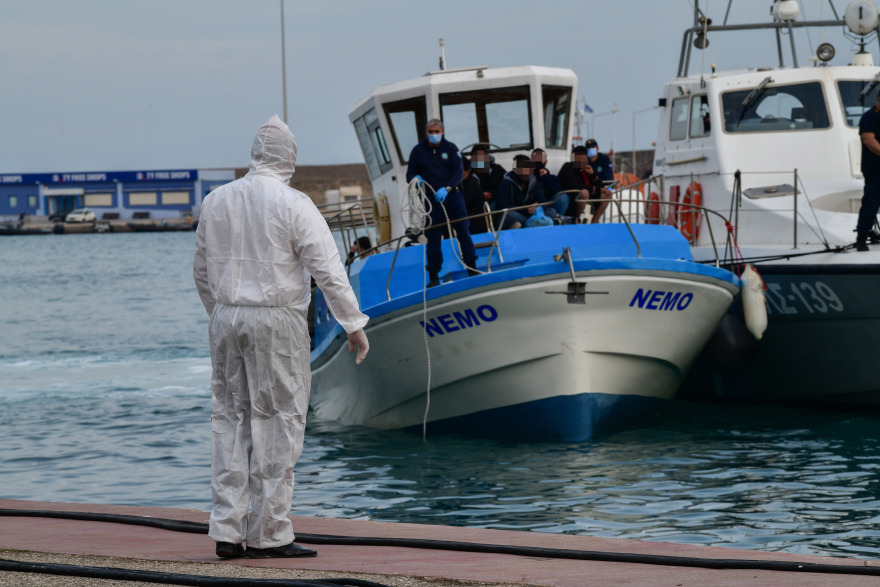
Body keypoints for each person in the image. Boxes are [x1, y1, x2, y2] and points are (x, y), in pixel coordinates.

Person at [193, 115, 369, 560]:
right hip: (276, 320)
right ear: (289, 157)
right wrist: (352, 323)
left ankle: (227, 530)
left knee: (229, 419)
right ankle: (270, 532)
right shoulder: (295, 204)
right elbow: (327, 268)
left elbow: (201, 270)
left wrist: (221, 314)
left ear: (255, 154)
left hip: (226, 316)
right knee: (278, 420)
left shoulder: (216, 201)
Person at [405, 118, 477, 286]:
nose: (434, 135)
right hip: (430, 200)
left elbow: (458, 172)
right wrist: (415, 179)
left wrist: (448, 188)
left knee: (463, 232)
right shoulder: (417, 151)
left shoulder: (451, 148)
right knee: (433, 237)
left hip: (451, 196)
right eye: (431, 132)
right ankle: (434, 276)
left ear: (442, 132)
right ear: (426, 133)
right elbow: (410, 174)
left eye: (437, 132)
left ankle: (472, 268)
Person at [496, 155, 561, 229]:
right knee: (510, 215)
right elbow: (504, 206)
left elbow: (543, 201)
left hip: (530, 215)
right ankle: (543, 224)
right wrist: (526, 210)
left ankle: (535, 225)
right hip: (516, 215)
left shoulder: (533, 182)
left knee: (551, 211)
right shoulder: (506, 183)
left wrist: (538, 206)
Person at [558, 145, 611, 223]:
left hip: (584, 198)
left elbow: (601, 187)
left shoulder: (585, 170)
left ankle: (595, 221)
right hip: (571, 198)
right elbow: (573, 185)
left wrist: (593, 175)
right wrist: (593, 189)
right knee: (584, 193)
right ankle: (577, 220)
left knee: (607, 194)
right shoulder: (567, 167)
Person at [856, 94, 880, 251]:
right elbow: (868, 140)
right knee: (871, 203)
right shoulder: (869, 117)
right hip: (875, 169)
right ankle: (862, 237)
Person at [531, 148, 569, 219]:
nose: (538, 164)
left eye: (540, 161)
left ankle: (557, 220)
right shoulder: (525, 177)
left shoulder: (551, 177)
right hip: (531, 208)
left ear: (545, 162)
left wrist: (546, 177)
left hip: (548, 207)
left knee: (562, 197)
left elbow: (558, 190)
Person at [470, 145, 506, 213]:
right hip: (477, 204)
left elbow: (505, 186)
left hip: (497, 201)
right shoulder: (468, 173)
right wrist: (481, 195)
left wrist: (491, 194)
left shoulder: (497, 169)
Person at [460, 157, 488, 234]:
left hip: (474, 224)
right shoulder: (461, 183)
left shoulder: (471, 184)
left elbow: (462, 202)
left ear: (467, 172)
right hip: (466, 220)